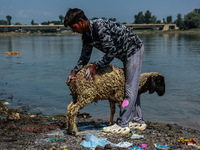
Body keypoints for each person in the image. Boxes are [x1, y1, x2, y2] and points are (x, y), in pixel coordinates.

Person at [64, 8, 146, 135]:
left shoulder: (98, 28)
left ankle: (122, 124)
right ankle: (139, 120)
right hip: (124, 54)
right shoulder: (86, 35)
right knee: (133, 86)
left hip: (133, 49)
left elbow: (111, 51)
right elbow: (85, 57)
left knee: (129, 88)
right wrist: (74, 71)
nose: (74, 31)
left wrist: (96, 66)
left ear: (81, 21)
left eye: (74, 27)